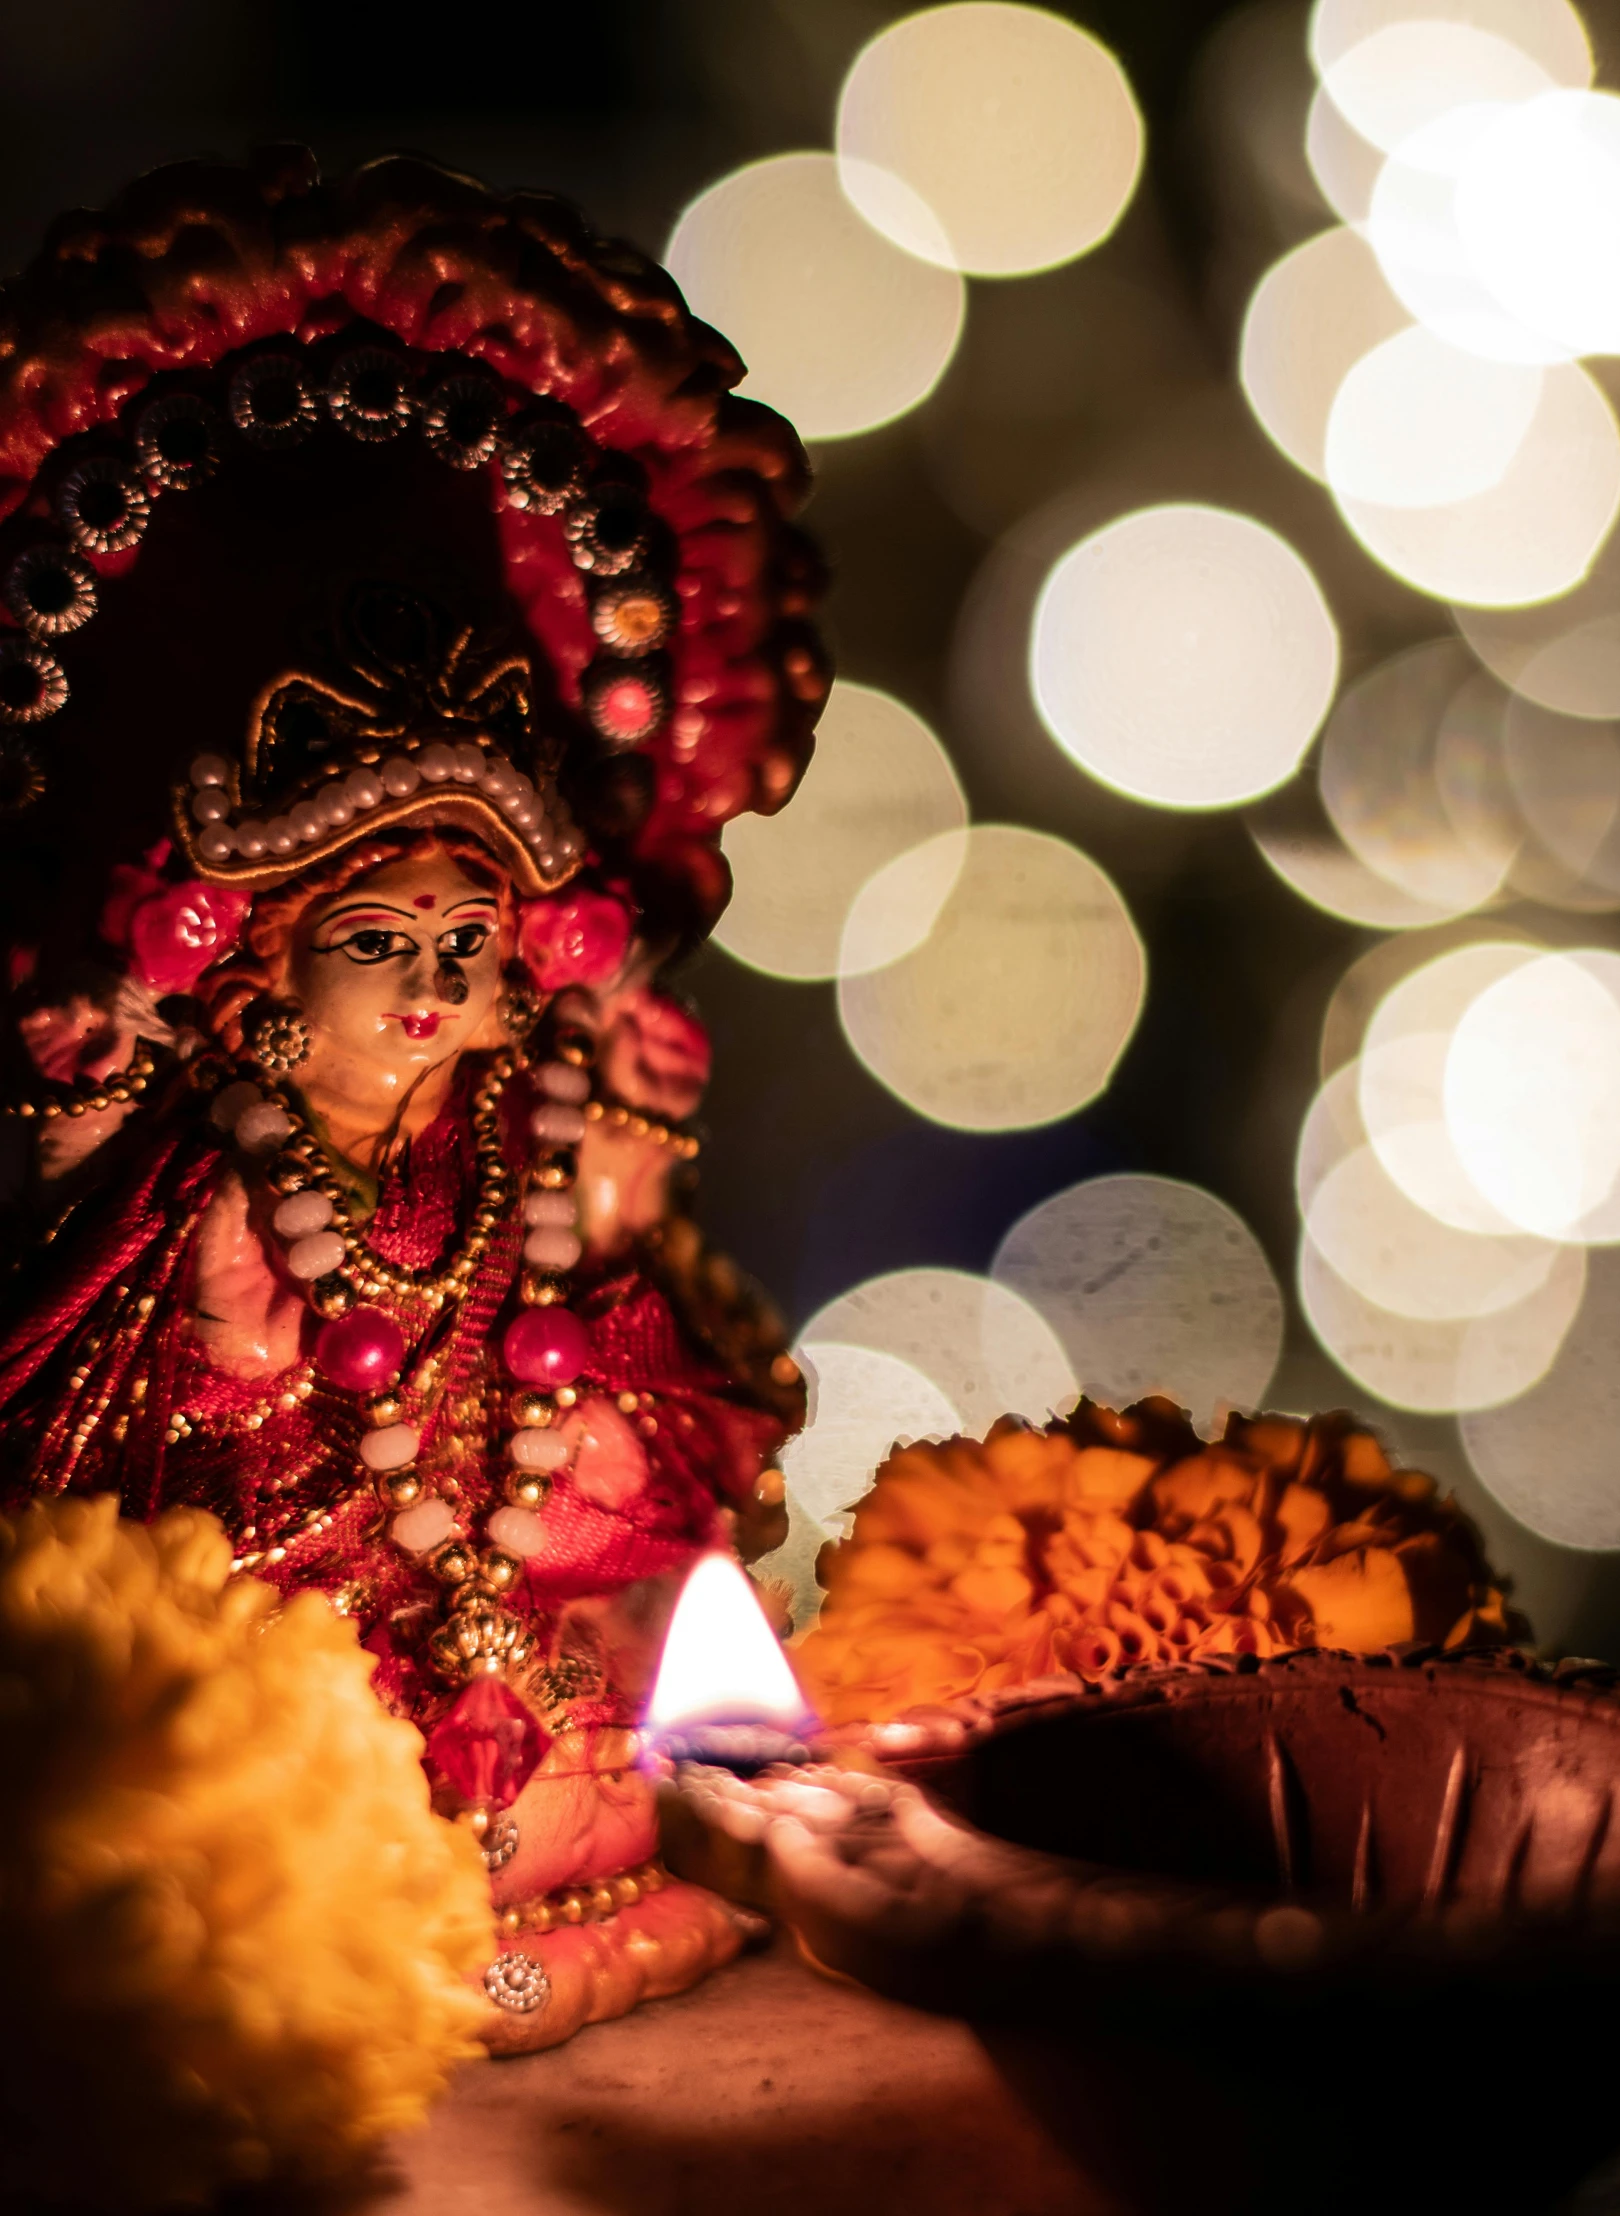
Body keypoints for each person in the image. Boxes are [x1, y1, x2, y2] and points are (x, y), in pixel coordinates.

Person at [0, 148, 825, 2050]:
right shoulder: (205, 1196)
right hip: (274, 1648)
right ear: (258, 962)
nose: (445, 978)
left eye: (478, 934)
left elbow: (603, 1383)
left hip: (534, 1738)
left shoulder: (521, 1156)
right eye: (385, 936)